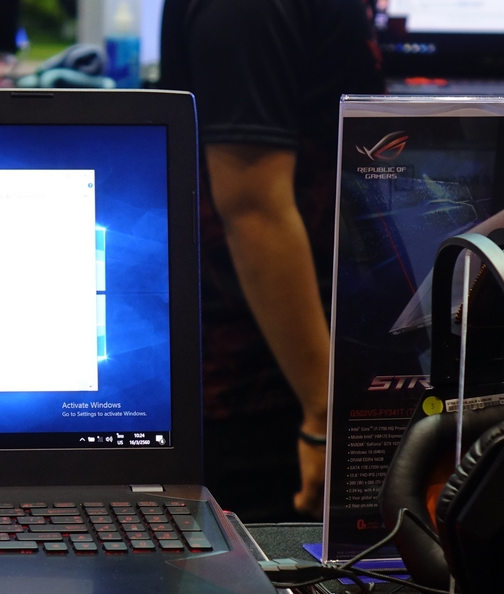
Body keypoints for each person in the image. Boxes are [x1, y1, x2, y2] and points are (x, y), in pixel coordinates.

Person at [160, 0, 383, 522]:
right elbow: (251, 208)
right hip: (263, 387)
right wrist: (323, 414)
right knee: (273, 564)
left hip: (296, 367)